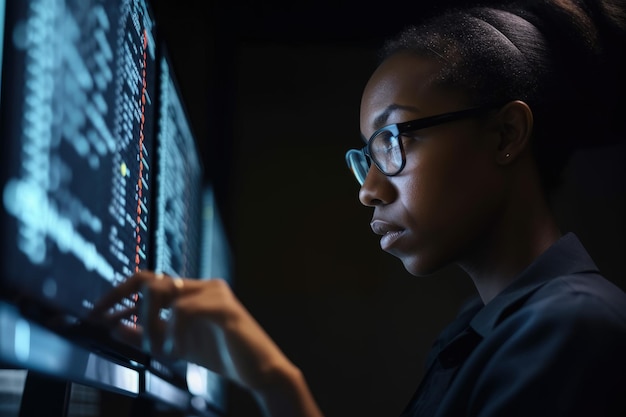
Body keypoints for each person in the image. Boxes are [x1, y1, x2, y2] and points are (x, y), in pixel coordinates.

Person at [92, 0, 626, 416]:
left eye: (394, 140)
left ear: (506, 133)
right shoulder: (485, 326)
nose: (369, 189)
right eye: (365, 156)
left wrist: (276, 378)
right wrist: (270, 378)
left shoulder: (571, 328)